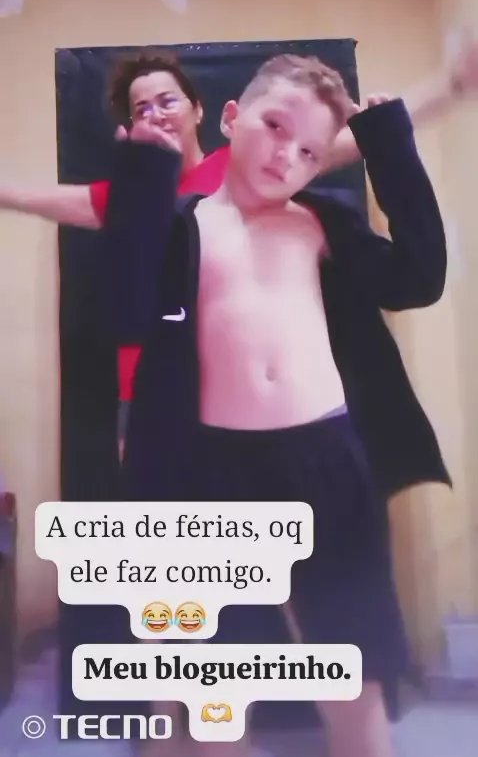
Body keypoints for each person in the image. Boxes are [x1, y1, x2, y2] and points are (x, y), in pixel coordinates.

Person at [101, 52, 449, 757]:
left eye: (310, 151)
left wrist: (387, 143)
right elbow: (123, 308)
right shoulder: (180, 227)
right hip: (211, 476)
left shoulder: (322, 223)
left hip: (325, 465)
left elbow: (419, 278)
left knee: (353, 680)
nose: (288, 154)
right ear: (231, 118)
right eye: (275, 126)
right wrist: (141, 176)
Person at [2, 39, 478, 456]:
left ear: (200, 111)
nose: (155, 114)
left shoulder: (250, 163)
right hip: (155, 400)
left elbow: (349, 138)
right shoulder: (126, 199)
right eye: (141, 109)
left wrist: (449, 87)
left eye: (166, 101)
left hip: (264, 413)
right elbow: (38, 199)